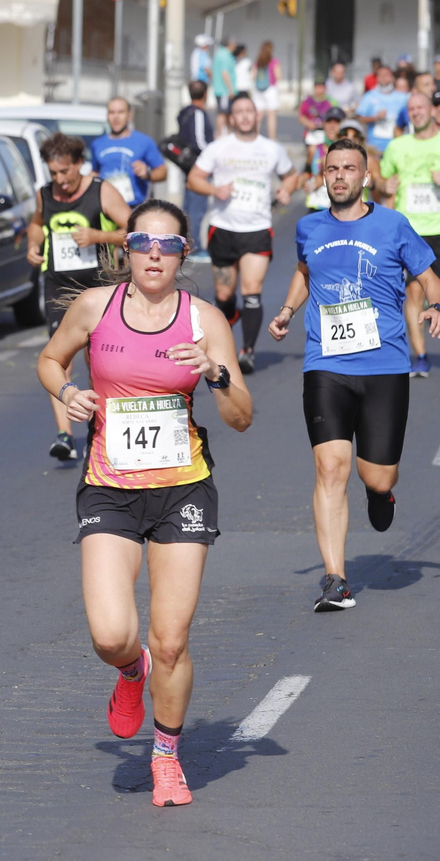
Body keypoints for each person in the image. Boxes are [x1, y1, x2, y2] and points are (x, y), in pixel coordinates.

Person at [39, 200, 251, 807]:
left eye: (167, 245)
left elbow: (241, 417)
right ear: (126, 249)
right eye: (142, 243)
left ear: (184, 254)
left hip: (183, 489)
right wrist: (68, 391)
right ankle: (131, 673)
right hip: (110, 486)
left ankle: (165, 757)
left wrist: (214, 373)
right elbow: (50, 359)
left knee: (171, 641)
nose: (154, 254)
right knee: (112, 635)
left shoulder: (204, 320)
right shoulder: (94, 307)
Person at [268, 138, 440, 611]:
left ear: (365, 177)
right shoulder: (308, 226)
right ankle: (335, 580)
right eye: (332, 168)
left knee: (378, 477)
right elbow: (305, 271)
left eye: (349, 168)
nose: (339, 175)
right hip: (327, 364)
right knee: (330, 468)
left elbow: (429, 276)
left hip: (385, 365)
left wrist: (436, 304)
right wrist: (287, 310)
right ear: (323, 176)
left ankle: (380, 495)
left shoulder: (393, 224)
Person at [26, 132, 132, 462]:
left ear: (79, 164)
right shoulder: (45, 194)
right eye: (53, 173)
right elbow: (36, 223)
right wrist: (33, 245)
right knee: (60, 358)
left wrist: (98, 235)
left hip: (98, 286)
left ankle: (99, 427)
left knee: (96, 359)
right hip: (58, 286)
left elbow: (133, 230)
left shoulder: (101, 190)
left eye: (65, 172)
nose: (60, 180)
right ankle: (65, 435)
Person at [184, 92, 301, 374]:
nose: (245, 116)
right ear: (231, 118)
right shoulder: (218, 148)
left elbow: (292, 175)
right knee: (224, 295)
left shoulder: (271, 149)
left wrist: (287, 190)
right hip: (224, 228)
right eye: (239, 112)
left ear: (257, 116)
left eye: (250, 111)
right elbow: (193, 179)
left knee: (251, 290)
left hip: (257, 229)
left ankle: (247, 351)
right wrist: (215, 189)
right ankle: (230, 317)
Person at [372, 89, 440, 376]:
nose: (415, 113)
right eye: (411, 109)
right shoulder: (397, 146)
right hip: (411, 231)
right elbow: (380, 179)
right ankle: (420, 356)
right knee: (414, 294)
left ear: (432, 110)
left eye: (420, 107)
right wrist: (382, 185)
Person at [90, 96, 167, 206]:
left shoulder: (144, 142)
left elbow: (163, 172)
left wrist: (147, 174)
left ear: (130, 115)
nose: (116, 117)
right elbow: (94, 173)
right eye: (112, 112)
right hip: (105, 206)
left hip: (134, 207)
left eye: (120, 112)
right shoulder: (97, 144)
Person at [177, 80, 215, 263]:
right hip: (199, 167)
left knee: (189, 207)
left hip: (188, 166)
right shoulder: (197, 113)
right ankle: (195, 247)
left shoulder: (185, 112)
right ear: (205, 94)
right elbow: (198, 142)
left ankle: (186, 244)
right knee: (197, 209)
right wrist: (214, 154)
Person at [358, 65, 409, 159]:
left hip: (396, 147)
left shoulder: (403, 98)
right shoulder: (369, 96)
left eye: (386, 75)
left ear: (392, 77)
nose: (383, 78)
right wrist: (375, 118)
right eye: (380, 75)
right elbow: (359, 118)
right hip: (374, 148)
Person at [253, 41, 281, 139]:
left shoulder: (257, 62)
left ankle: (255, 138)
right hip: (271, 89)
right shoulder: (274, 62)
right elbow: (278, 76)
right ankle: (272, 140)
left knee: (258, 117)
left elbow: (253, 76)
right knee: (271, 117)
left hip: (258, 90)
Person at [212, 36, 238, 135]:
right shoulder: (225, 56)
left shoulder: (219, 53)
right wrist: (230, 89)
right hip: (224, 90)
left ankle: (229, 133)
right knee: (222, 113)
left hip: (220, 89)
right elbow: (225, 73)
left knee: (227, 113)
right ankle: (220, 134)